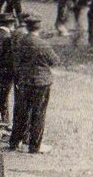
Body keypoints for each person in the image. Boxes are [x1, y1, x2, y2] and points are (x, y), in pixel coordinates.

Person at [8, 14, 58, 153]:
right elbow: (55, 61)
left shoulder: (20, 41)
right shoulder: (43, 44)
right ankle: (34, 146)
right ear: (39, 27)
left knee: (21, 112)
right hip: (41, 83)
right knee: (38, 114)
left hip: (24, 80)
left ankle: (15, 141)